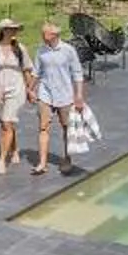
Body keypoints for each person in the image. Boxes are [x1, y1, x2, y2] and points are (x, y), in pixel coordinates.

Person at [30, 20, 86, 175]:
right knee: (43, 127)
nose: (42, 35)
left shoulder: (68, 51)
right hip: (45, 94)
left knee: (66, 128)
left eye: (44, 33)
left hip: (65, 95)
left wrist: (79, 95)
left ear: (54, 35)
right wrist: (30, 89)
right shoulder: (41, 50)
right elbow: (36, 72)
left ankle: (67, 158)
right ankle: (42, 163)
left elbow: (77, 73)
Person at [0, 17, 31, 174]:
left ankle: (2, 160)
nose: (14, 32)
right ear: (3, 31)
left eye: (15, 29)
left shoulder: (20, 49)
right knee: (6, 124)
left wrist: (30, 89)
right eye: (11, 29)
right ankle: (15, 149)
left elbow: (26, 70)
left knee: (6, 124)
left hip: (16, 89)